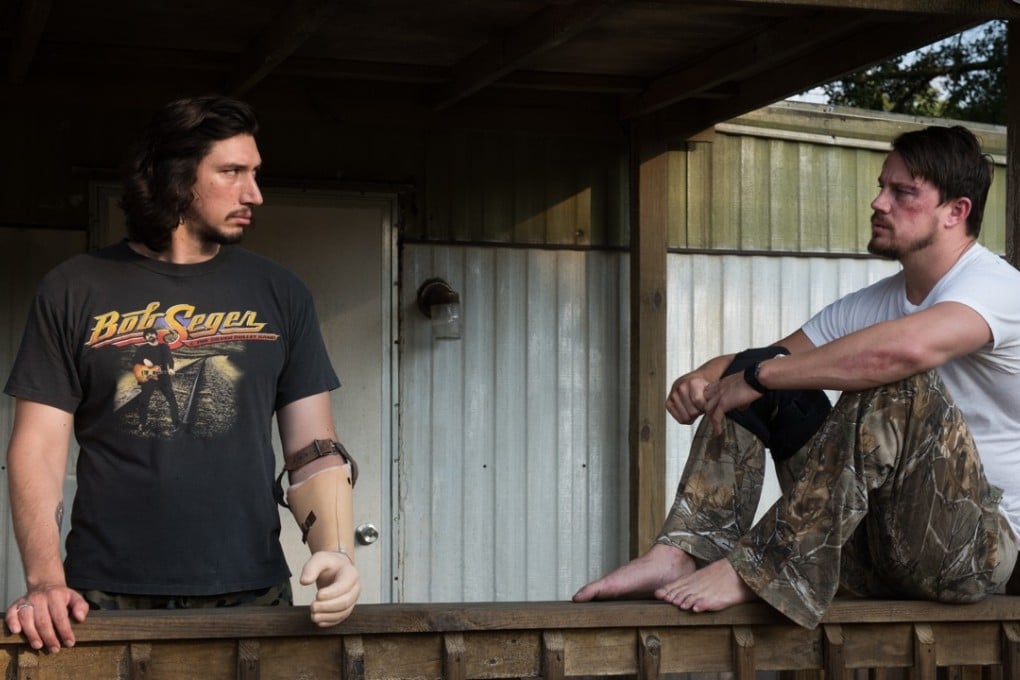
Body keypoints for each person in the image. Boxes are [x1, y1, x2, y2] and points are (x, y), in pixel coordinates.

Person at [574, 125, 1020, 629]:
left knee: (896, 382)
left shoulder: (996, 287)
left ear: (955, 212)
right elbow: (773, 358)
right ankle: (686, 548)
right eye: (881, 185)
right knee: (761, 375)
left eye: (902, 192)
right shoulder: (877, 301)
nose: (878, 202)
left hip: (969, 554)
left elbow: (905, 351)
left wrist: (761, 374)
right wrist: (707, 377)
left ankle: (760, 568)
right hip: (868, 549)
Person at [4, 95, 361, 653]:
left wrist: (337, 550)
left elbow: (312, 446)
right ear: (175, 176)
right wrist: (44, 580)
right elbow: (37, 447)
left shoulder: (280, 292)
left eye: (255, 173)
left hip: (250, 588)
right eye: (232, 172)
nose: (254, 194)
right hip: (101, 595)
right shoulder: (75, 287)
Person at [130, 327, 181, 434]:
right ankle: (142, 424)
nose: (149, 336)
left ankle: (176, 423)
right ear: (145, 338)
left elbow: (169, 359)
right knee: (144, 401)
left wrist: (171, 368)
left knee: (172, 399)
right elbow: (134, 360)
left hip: (163, 377)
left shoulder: (164, 347)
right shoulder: (142, 349)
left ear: (156, 335)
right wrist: (143, 360)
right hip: (149, 377)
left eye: (151, 334)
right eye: (147, 335)